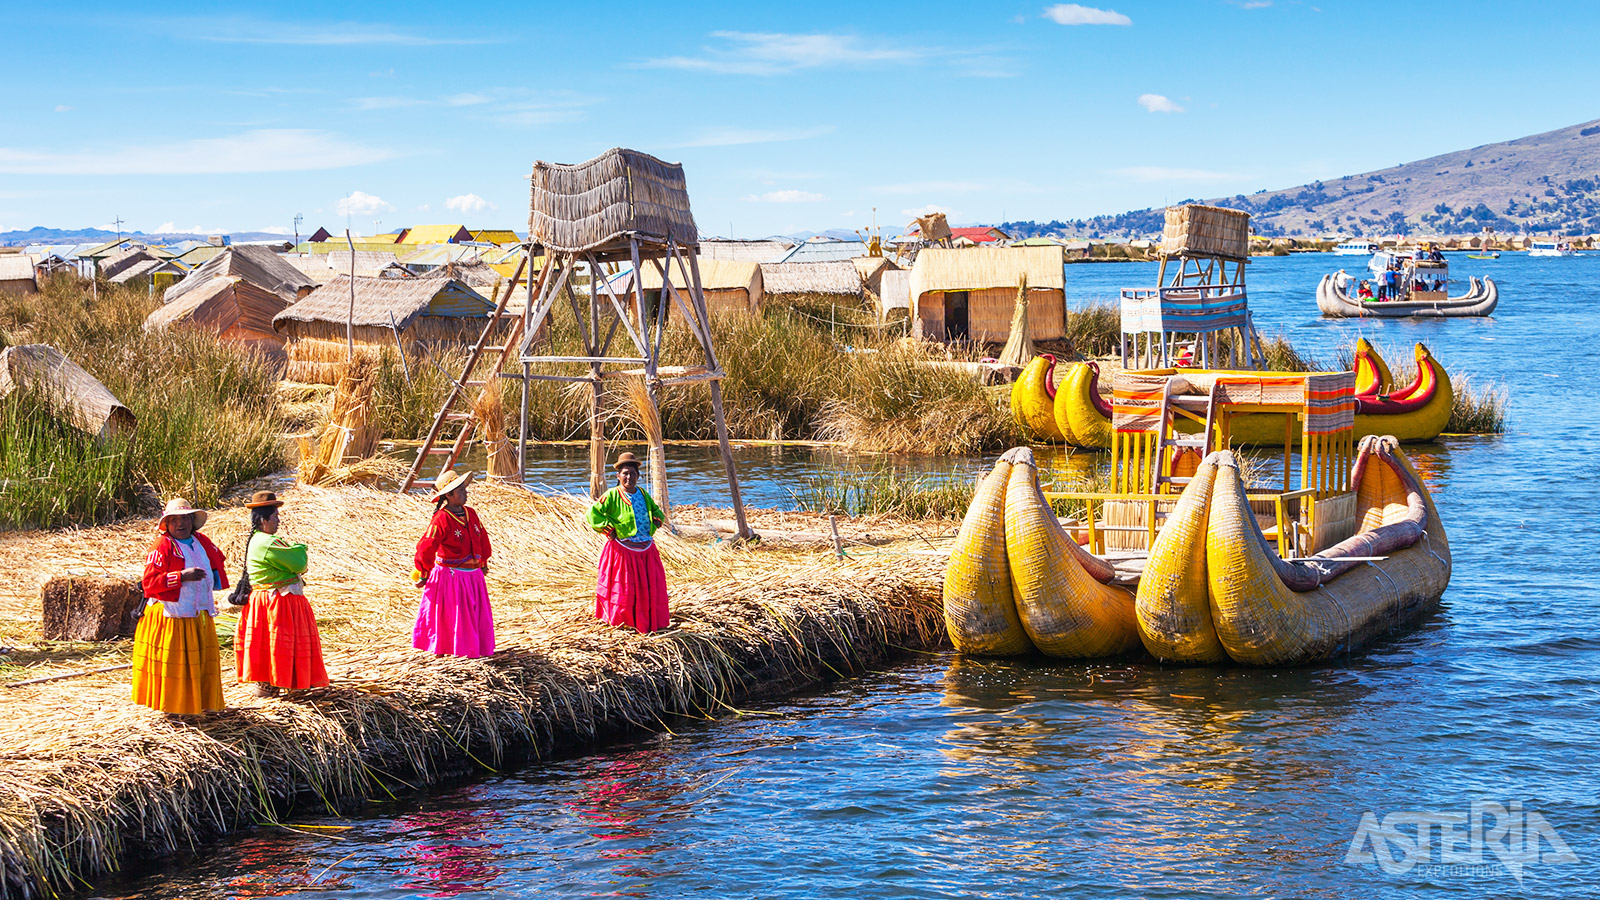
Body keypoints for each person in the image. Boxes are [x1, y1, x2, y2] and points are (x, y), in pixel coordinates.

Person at [133, 498, 228, 716]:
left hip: (198, 612)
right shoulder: (162, 546)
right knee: (177, 665)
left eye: (184, 519)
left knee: (198, 662)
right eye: (174, 520)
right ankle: (175, 709)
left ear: (192, 521)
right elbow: (149, 582)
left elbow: (216, 566)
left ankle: (198, 704)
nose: (180, 524)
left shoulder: (201, 541)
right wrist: (181, 577)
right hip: (172, 615)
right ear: (166, 524)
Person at [233, 491, 328, 696]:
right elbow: (300, 562)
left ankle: (279, 684)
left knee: (277, 644)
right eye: (276, 516)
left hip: (275, 600)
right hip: (274, 603)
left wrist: (292, 555)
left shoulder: (263, 540)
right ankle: (270, 685)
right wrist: (297, 550)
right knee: (277, 644)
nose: (278, 521)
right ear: (264, 519)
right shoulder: (266, 543)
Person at [411, 471, 495, 658]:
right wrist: (423, 573)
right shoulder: (442, 518)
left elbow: (482, 538)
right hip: (452, 577)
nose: (465, 493)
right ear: (448, 495)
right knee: (455, 616)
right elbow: (426, 546)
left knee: (474, 614)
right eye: (460, 490)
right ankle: (452, 650)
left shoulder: (470, 513)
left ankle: (475, 649)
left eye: (465, 489)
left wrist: (483, 562)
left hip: (473, 576)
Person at [587, 452, 670, 633]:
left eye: (632, 473)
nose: (629, 477)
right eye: (625, 473)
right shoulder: (612, 495)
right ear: (618, 476)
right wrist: (609, 529)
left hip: (645, 549)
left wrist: (656, 521)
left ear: (638, 476)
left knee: (648, 587)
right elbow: (593, 514)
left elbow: (657, 511)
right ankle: (623, 621)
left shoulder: (642, 494)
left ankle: (646, 620)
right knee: (624, 588)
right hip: (623, 550)